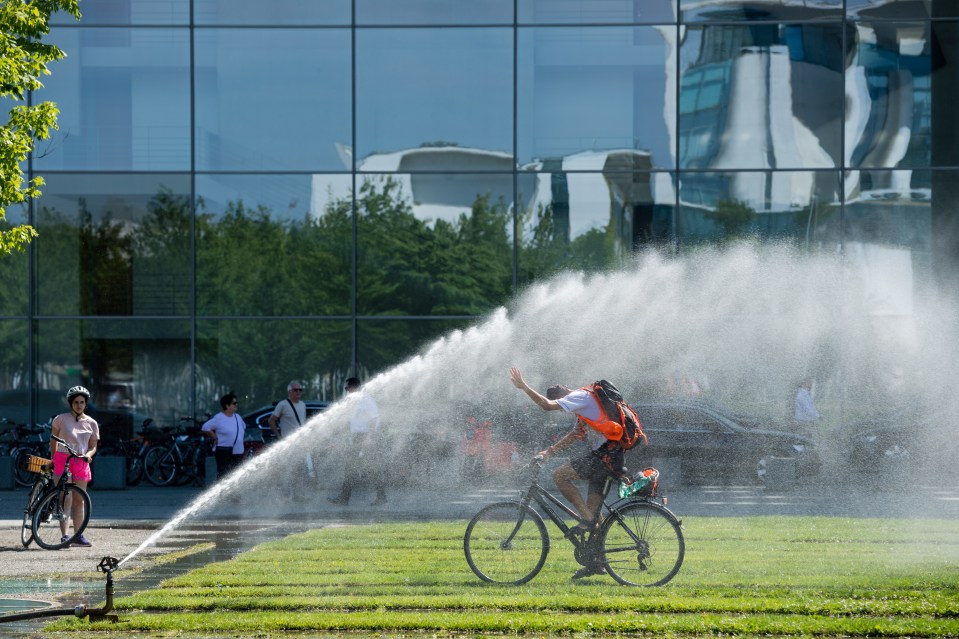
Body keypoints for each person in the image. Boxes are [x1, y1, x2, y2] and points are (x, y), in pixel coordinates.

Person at [509, 367, 631, 580]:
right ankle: (596, 563)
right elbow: (576, 434)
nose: (562, 410)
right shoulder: (586, 403)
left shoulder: (578, 397)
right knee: (595, 516)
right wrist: (548, 452)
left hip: (606, 457)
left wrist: (524, 387)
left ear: (563, 395)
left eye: (562, 407)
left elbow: (547, 405)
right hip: (610, 456)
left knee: (559, 476)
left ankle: (585, 518)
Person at [49, 385, 99, 547]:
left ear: (86, 404)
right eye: (76, 402)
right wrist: (53, 459)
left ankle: (78, 535)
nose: (79, 405)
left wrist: (89, 455)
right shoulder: (60, 419)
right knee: (66, 498)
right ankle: (65, 536)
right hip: (62, 461)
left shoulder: (92, 423)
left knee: (80, 501)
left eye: (82, 402)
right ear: (71, 403)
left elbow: (93, 446)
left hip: (81, 462)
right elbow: (54, 440)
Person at [328, 377, 386, 507]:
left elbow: (374, 418)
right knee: (351, 467)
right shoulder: (356, 401)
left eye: (347, 388)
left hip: (366, 437)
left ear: (353, 387)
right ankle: (344, 498)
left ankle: (380, 496)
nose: (347, 391)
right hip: (358, 437)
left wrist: (368, 438)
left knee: (371, 468)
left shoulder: (366, 399)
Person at [268, 380, 313, 499]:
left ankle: (297, 495)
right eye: (295, 390)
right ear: (289, 392)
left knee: (299, 469)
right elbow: (271, 420)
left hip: (300, 443)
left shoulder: (302, 404)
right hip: (287, 444)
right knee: (286, 469)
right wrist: (278, 436)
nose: (298, 392)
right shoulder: (283, 404)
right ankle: (283, 495)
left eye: (300, 390)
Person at [201, 393, 246, 480]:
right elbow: (205, 427)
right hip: (224, 450)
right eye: (234, 403)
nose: (236, 404)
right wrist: (214, 436)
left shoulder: (238, 417)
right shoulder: (219, 418)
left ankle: (234, 493)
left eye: (236, 402)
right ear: (227, 405)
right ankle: (223, 493)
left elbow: (243, 427)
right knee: (223, 474)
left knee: (237, 475)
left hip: (238, 451)